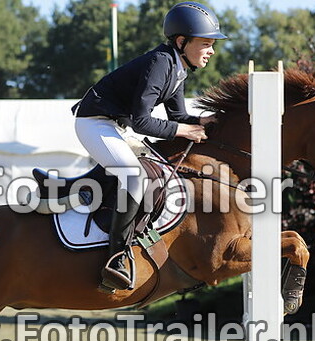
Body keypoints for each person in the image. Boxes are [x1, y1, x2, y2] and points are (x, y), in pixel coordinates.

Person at [71, 2, 227, 292]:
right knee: (133, 176)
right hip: (94, 122)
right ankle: (115, 258)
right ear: (182, 42)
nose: (211, 50)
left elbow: (178, 117)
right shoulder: (160, 63)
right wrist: (184, 130)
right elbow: (141, 122)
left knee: (152, 169)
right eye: (205, 43)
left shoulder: (177, 67)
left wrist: (205, 120)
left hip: (113, 125)